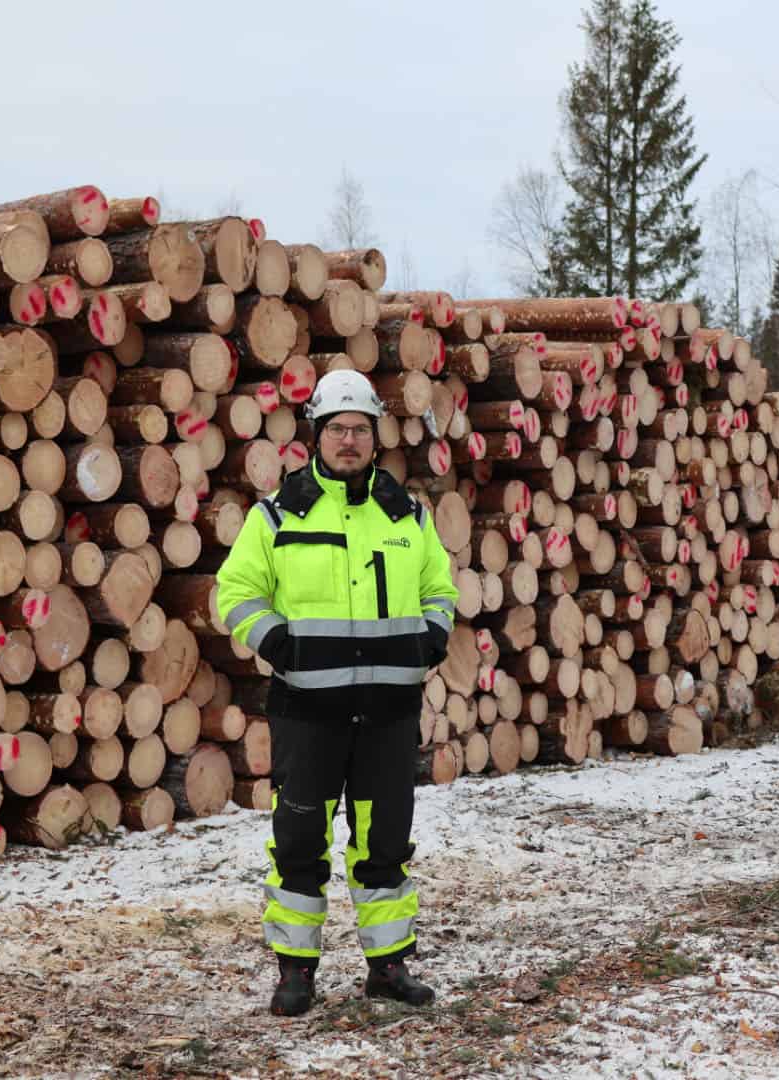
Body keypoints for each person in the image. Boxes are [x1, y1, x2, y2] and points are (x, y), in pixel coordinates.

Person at [215, 369, 459, 1016]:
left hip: (388, 711)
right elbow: (235, 593)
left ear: (376, 438)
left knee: (384, 845)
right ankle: (296, 972)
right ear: (317, 435)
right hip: (308, 711)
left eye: (360, 429)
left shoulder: (407, 514)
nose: (348, 440)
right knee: (299, 843)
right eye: (337, 429)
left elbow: (441, 589)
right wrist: (278, 644)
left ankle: (388, 965)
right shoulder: (279, 513)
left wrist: (431, 638)